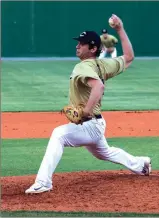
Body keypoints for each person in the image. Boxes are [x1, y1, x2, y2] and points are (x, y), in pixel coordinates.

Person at [25, 14, 151, 194]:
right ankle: (141, 164)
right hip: (97, 125)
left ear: (92, 48)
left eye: (81, 43)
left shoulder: (82, 66)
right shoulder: (102, 65)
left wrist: (85, 111)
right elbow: (129, 57)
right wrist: (120, 29)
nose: (77, 45)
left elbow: (98, 86)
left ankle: (43, 182)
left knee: (58, 134)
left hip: (89, 123)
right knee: (104, 152)